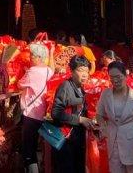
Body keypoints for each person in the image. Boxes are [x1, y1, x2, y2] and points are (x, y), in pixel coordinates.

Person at [96, 61, 133, 173]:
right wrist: (103, 127)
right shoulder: (106, 94)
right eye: (112, 78)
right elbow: (99, 114)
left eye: (118, 77)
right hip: (114, 144)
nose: (115, 81)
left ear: (125, 75)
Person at [52, 56, 97, 173]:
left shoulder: (81, 87)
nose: (85, 74)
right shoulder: (65, 87)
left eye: (86, 71)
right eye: (80, 70)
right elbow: (56, 113)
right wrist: (80, 120)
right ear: (71, 71)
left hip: (76, 138)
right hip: (65, 139)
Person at [18, 43, 54, 173]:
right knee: (36, 146)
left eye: (32, 55)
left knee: (29, 148)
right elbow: (52, 68)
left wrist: (25, 72)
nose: (30, 57)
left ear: (39, 57)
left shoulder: (32, 71)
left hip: (31, 114)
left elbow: (20, 84)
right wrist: (51, 53)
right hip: (42, 113)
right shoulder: (48, 71)